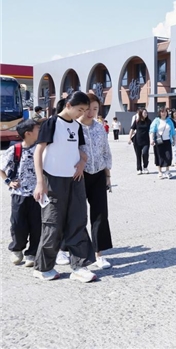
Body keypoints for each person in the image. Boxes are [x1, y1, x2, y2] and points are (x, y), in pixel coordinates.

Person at [32, 91, 97, 283]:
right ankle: (43, 267)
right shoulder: (51, 123)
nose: (82, 114)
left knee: (78, 220)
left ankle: (79, 266)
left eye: (85, 110)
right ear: (68, 105)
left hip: (75, 180)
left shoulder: (77, 126)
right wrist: (40, 182)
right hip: (53, 179)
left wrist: (82, 163)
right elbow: (38, 152)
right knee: (53, 223)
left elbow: (81, 152)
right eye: (80, 109)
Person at [78, 94, 114, 270]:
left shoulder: (99, 128)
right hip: (79, 176)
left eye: (95, 109)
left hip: (98, 174)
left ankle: (99, 253)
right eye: (88, 109)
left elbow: (106, 151)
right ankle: (74, 251)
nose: (91, 112)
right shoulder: (74, 127)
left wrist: (107, 175)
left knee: (100, 214)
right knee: (77, 215)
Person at [0, 119, 41, 267]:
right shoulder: (15, 149)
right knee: (18, 224)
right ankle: (17, 249)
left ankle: (32, 253)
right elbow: (1, 168)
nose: (40, 131)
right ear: (28, 133)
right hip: (19, 194)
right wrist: (8, 182)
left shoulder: (41, 148)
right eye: (37, 128)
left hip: (37, 194)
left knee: (37, 225)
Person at [150, 108, 176, 179]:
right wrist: (151, 139)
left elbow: (173, 131)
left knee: (168, 156)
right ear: (159, 113)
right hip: (158, 141)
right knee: (159, 156)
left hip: (167, 140)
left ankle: (167, 171)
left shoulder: (169, 121)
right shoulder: (156, 121)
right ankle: (160, 172)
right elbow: (152, 131)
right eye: (162, 112)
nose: (164, 113)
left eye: (165, 112)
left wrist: (174, 140)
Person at [128, 109, 151, 175]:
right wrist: (129, 138)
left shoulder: (149, 121)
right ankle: (139, 169)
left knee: (145, 153)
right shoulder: (137, 121)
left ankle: (145, 167)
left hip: (146, 141)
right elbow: (132, 129)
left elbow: (152, 130)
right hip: (137, 141)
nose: (146, 114)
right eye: (144, 113)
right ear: (141, 113)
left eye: (146, 113)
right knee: (138, 155)